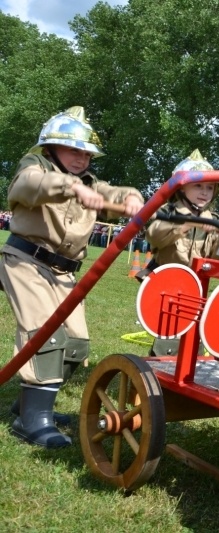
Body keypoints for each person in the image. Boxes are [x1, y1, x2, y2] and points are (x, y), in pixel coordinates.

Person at [0, 106, 144, 449]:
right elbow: (30, 187)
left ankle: (29, 406)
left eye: (86, 153)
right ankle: (32, 422)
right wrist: (70, 187)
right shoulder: (34, 167)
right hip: (26, 261)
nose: (81, 159)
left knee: (76, 346)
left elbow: (114, 194)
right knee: (43, 334)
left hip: (65, 272)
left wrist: (133, 197)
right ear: (50, 148)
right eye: (73, 150)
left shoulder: (91, 183)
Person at [140, 150, 219, 356]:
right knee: (168, 345)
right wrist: (187, 224)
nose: (205, 192)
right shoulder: (167, 213)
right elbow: (154, 235)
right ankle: (155, 381)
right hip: (166, 290)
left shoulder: (214, 219)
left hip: (196, 291)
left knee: (194, 347)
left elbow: (218, 258)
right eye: (198, 185)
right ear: (181, 188)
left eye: (209, 187)